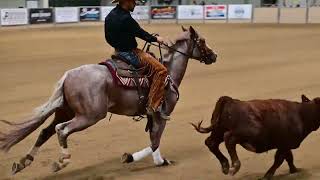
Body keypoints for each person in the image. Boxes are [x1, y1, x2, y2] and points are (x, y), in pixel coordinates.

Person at [105, 0, 170, 120]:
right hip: (130, 52)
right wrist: (156, 39)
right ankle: (152, 107)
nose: (135, 3)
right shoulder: (126, 18)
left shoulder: (110, 15)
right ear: (127, 2)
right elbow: (140, 33)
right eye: (134, 1)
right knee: (161, 71)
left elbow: (108, 38)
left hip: (117, 51)